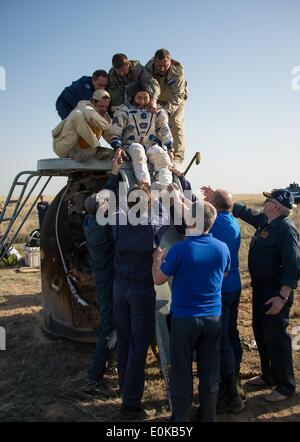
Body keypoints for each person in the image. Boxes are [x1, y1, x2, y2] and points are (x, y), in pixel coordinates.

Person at [153, 197, 231, 422]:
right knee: (209, 371)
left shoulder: (180, 249)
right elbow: (223, 275)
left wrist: (157, 260)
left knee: (182, 371)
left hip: (185, 319)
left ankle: (181, 419)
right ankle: (208, 416)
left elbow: (159, 280)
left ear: (191, 220)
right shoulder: (222, 248)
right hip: (213, 318)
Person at [232, 189, 299, 402]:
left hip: (275, 293)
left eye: (268, 200)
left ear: (276, 206)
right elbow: (247, 213)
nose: (264, 202)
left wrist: (282, 298)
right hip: (261, 290)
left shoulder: (285, 230)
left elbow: (293, 267)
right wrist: (220, 198)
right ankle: (269, 376)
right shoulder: (267, 221)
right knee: (261, 334)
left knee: (277, 338)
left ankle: (285, 385)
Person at [202, 186, 245, 413]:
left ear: (215, 206)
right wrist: (214, 200)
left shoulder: (215, 223)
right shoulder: (231, 221)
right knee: (231, 332)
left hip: (221, 288)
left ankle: (229, 392)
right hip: (234, 285)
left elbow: (197, 216)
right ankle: (235, 377)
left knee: (221, 340)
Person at [82, 152, 123, 388]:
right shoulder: (104, 229)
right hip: (108, 280)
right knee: (109, 326)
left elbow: (105, 197)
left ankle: (110, 361)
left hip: (103, 277)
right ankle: (94, 376)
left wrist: (114, 172)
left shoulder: (91, 221)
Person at [110, 85, 174, 187]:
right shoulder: (123, 110)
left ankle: (166, 188)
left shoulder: (157, 110)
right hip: (130, 146)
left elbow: (164, 128)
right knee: (138, 150)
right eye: (139, 98)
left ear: (150, 98)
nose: (143, 101)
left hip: (151, 145)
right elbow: (115, 131)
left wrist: (170, 148)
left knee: (162, 156)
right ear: (132, 97)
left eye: (146, 98)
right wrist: (117, 147)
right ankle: (145, 187)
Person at [145, 49, 188, 168]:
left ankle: (177, 158)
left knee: (175, 123)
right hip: (157, 99)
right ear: (154, 61)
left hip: (175, 99)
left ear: (170, 61)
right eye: (159, 66)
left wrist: (167, 111)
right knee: (154, 124)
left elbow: (178, 95)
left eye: (165, 65)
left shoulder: (177, 71)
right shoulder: (148, 68)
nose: (162, 69)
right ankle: (157, 153)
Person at [52, 89, 113, 162]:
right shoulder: (84, 105)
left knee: (112, 153)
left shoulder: (105, 117)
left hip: (81, 150)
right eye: (101, 106)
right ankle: (97, 148)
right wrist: (110, 127)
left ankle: (76, 154)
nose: (104, 109)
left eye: (106, 107)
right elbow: (92, 116)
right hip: (63, 145)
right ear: (93, 102)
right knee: (77, 115)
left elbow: (110, 136)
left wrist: (120, 147)